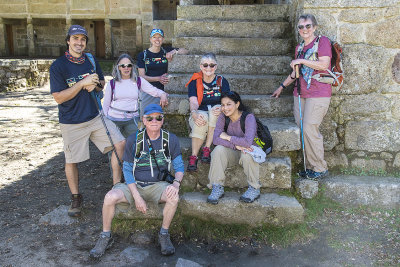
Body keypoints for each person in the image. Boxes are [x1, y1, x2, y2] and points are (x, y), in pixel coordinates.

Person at [89, 104, 184, 259]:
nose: (154, 120)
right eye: (150, 118)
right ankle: (105, 235)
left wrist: (176, 184)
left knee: (173, 197)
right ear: (143, 120)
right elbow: (126, 169)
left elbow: (179, 165)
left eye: (158, 117)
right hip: (134, 185)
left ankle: (164, 234)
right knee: (109, 197)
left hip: (157, 185)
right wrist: (137, 196)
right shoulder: (133, 139)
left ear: (162, 120)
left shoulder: (170, 139)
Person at [49, 25, 126, 217]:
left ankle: (116, 186)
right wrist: (81, 84)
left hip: (95, 116)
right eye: (75, 39)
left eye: (82, 39)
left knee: (120, 143)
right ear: (68, 41)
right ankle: (76, 197)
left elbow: (101, 83)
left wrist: (96, 85)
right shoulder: (58, 66)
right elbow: (58, 97)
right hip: (71, 121)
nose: (79, 42)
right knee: (72, 160)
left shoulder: (90, 59)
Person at [271, 14, 332, 180]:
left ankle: (320, 167)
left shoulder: (322, 42)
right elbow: (295, 73)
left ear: (315, 27)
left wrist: (301, 61)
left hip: (318, 93)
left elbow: (323, 64)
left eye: (308, 26)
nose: (305, 29)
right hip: (301, 93)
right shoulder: (299, 47)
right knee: (303, 129)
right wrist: (281, 87)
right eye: (301, 27)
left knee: (310, 128)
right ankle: (310, 167)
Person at [207, 91, 261, 204]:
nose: (225, 108)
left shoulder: (248, 117)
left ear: (237, 104)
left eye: (229, 104)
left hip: (250, 151)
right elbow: (216, 139)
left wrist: (228, 137)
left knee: (246, 154)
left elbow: (247, 142)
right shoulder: (222, 117)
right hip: (233, 151)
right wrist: (235, 145)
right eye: (222, 105)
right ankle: (217, 187)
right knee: (218, 150)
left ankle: (254, 188)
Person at [102, 53, 169, 138]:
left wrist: (162, 94)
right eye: (123, 66)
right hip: (114, 118)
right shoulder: (112, 83)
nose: (126, 68)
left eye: (129, 65)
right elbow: (106, 105)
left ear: (132, 67)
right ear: (118, 67)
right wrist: (106, 121)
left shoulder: (138, 81)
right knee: (116, 146)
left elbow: (154, 91)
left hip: (132, 119)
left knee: (134, 144)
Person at [185, 53, 230, 172]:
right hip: (200, 111)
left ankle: (206, 148)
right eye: (205, 65)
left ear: (216, 66)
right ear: (201, 66)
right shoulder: (194, 81)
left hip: (216, 113)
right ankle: (194, 155)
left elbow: (227, 101)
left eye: (211, 65)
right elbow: (193, 102)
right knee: (202, 117)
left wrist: (221, 107)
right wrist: (194, 114)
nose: (208, 68)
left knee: (214, 112)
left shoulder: (222, 81)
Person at [137, 28, 188, 116]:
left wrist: (173, 51)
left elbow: (186, 51)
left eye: (159, 37)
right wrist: (158, 78)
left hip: (164, 90)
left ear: (163, 39)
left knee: (159, 119)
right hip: (149, 91)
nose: (157, 39)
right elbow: (141, 76)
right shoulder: (143, 55)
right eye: (154, 37)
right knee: (145, 118)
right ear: (150, 39)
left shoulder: (165, 51)